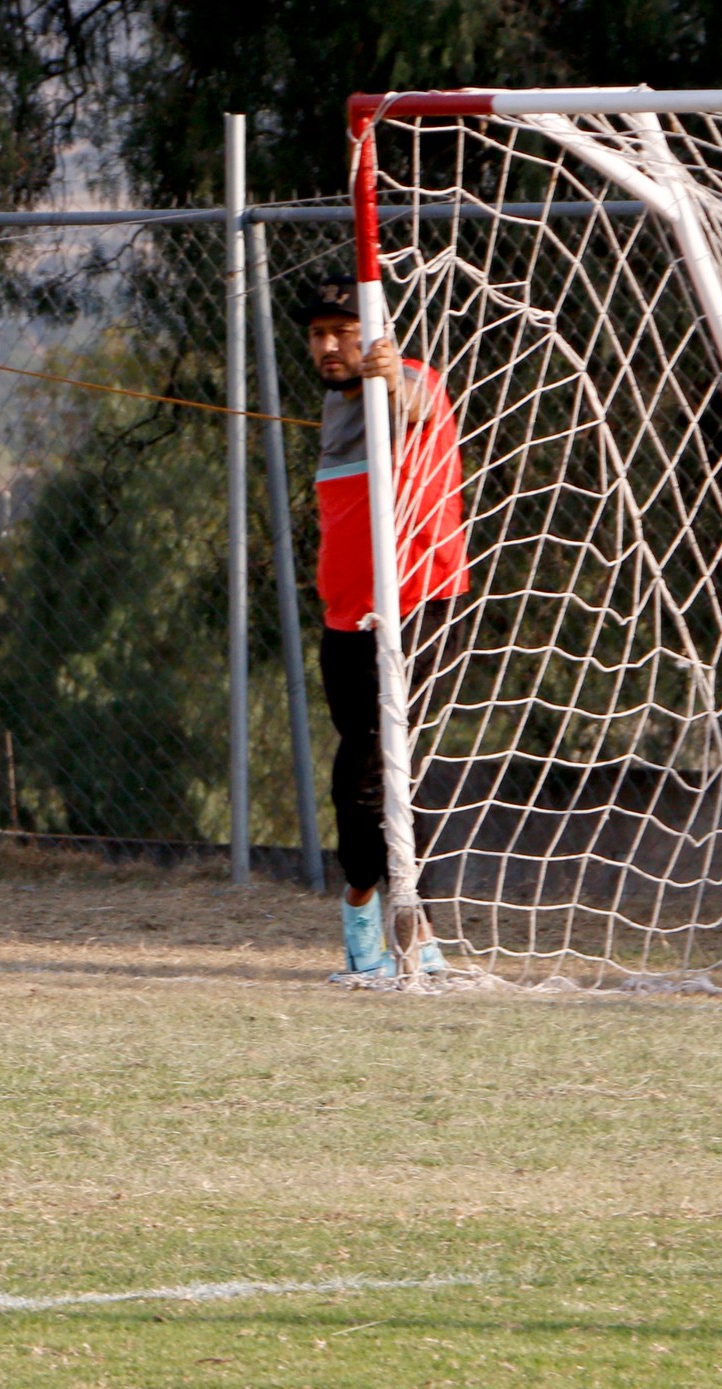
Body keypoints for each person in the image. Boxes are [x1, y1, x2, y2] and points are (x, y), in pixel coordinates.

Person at [296, 273, 470, 979]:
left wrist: (390, 375)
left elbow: (417, 398)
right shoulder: (335, 410)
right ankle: (418, 931)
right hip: (346, 617)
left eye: (343, 330)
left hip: (417, 606)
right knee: (378, 772)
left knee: (373, 770)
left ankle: (367, 911)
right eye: (317, 334)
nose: (330, 345)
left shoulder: (404, 382)